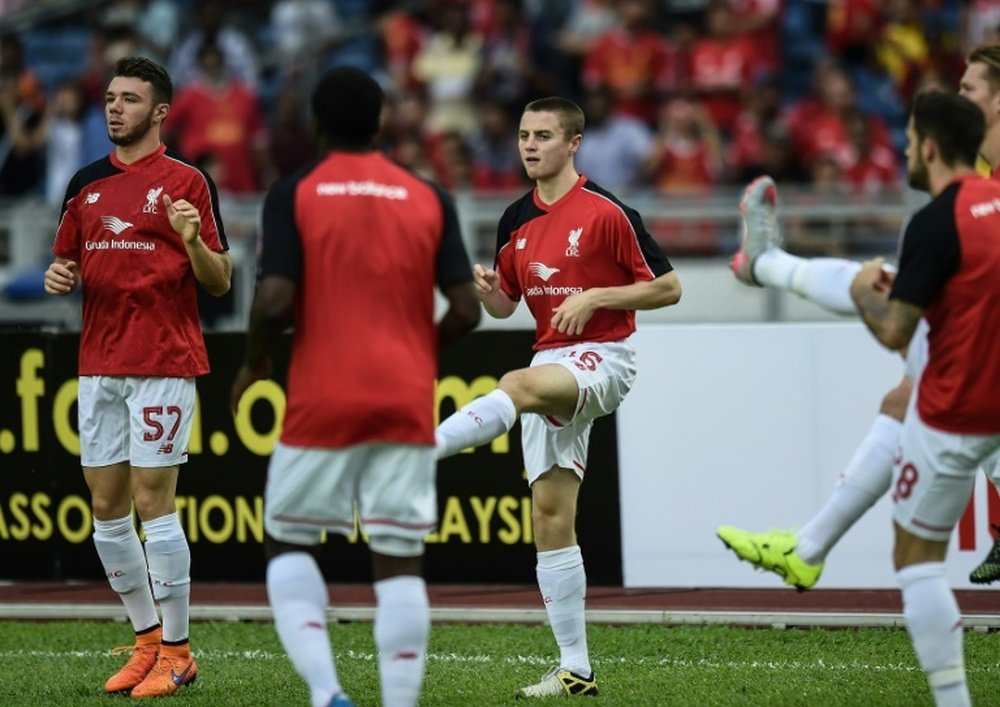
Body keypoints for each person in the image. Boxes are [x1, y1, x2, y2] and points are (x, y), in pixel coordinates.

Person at [229, 67, 480, 707]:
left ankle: (326, 692)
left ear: (316, 125)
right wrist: (418, 354)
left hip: (323, 397)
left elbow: (277, 296)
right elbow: (466, 310)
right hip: (405, 398)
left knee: (287, 537)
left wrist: (256, 361)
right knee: (398, 557)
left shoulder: (296, 191)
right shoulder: (429, 196)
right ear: (381, 124)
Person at [717, 44, 1000, 589]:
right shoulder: (979, 175)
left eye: (969, 88)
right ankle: (809, 548)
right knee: (906, 386)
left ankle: (766, 263)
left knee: (891, 301)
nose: (958, 96)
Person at [434, 96, 682, 698]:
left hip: (606, 357)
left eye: (543, 135)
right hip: (553, 357)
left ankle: (419, 448)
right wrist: (489, 290)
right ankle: (576, 668)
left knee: (514, 385)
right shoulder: (514, 219)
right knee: (548, 516)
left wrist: (597, 297)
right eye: (523, 135)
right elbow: (507, 306)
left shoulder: (607, 212)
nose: (529, 145)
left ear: (574, 144)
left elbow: (669, 287)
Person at [42, 56, 231, 697]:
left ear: (159, 112)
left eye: (129, 99)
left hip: (163, 363)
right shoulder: (85, 184)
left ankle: (179, 650)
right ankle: (147, 640)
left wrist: (193, 242)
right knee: (106, 508)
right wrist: (58, 277)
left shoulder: (187, 183)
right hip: (99, 365)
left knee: (155, 502)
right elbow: (66, 263)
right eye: (111, 98)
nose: (114, 108)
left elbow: (220, 281)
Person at [854, 90, 1000, 707]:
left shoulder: (933, 222)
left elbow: (895, 332)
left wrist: (865, 291)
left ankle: (954, 701)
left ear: (932, 146)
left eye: (911, 141)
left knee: (916, 558)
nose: (907, 150)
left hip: (952, 415)